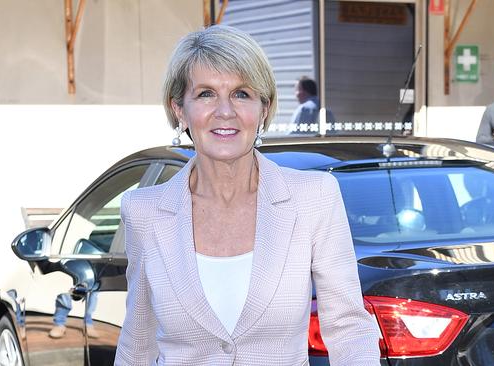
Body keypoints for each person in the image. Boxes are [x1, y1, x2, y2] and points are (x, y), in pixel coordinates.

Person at [113, 25, 379, 365]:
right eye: (206, 94)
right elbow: (138, 345)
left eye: (241, 94)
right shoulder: (143, 212)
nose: (225, 111)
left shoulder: (314, 198)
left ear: (264, 108)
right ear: (179, 109)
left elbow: (350, 330)